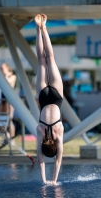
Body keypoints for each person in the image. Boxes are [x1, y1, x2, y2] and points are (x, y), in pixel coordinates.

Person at [35, 14, 64, 185]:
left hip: (56, 97)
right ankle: (40, 28)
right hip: (44, 98)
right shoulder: (40, 133)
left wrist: (53, 180)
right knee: (41, 61)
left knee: (50, 59)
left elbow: (58, 161)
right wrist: (45, 180)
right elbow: (40, 161)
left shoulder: (59, 135)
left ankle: (44, 27)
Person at [0, 63, 16, 139]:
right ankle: (6, 135)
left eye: (2, 68)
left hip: (9, 99)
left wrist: (7, 75)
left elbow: (7, 82)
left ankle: (12, 139)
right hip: (3, 99)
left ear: (7, 68)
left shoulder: (12, 76)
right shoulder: (2, 76)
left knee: (9, 119)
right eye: (0, 68)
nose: (1, 69)